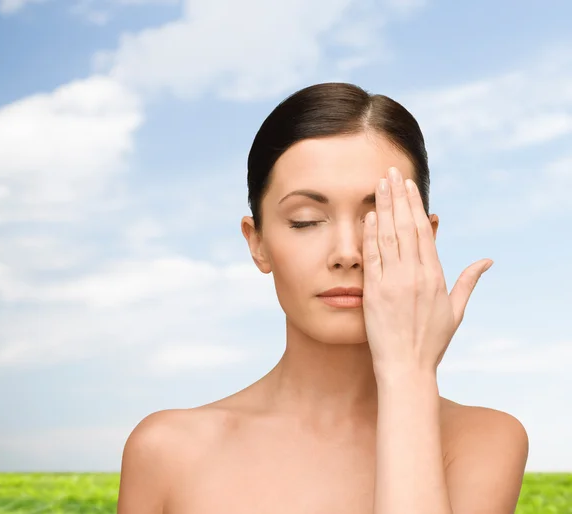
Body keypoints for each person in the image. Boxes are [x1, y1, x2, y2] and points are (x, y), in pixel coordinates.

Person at [117, 83, 529, 513]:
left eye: (378, 219)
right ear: (257, 243)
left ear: (425, 237)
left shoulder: (484, 440)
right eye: (306, 221)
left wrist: (409, 373)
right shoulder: (167, 451)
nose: (347, 254)